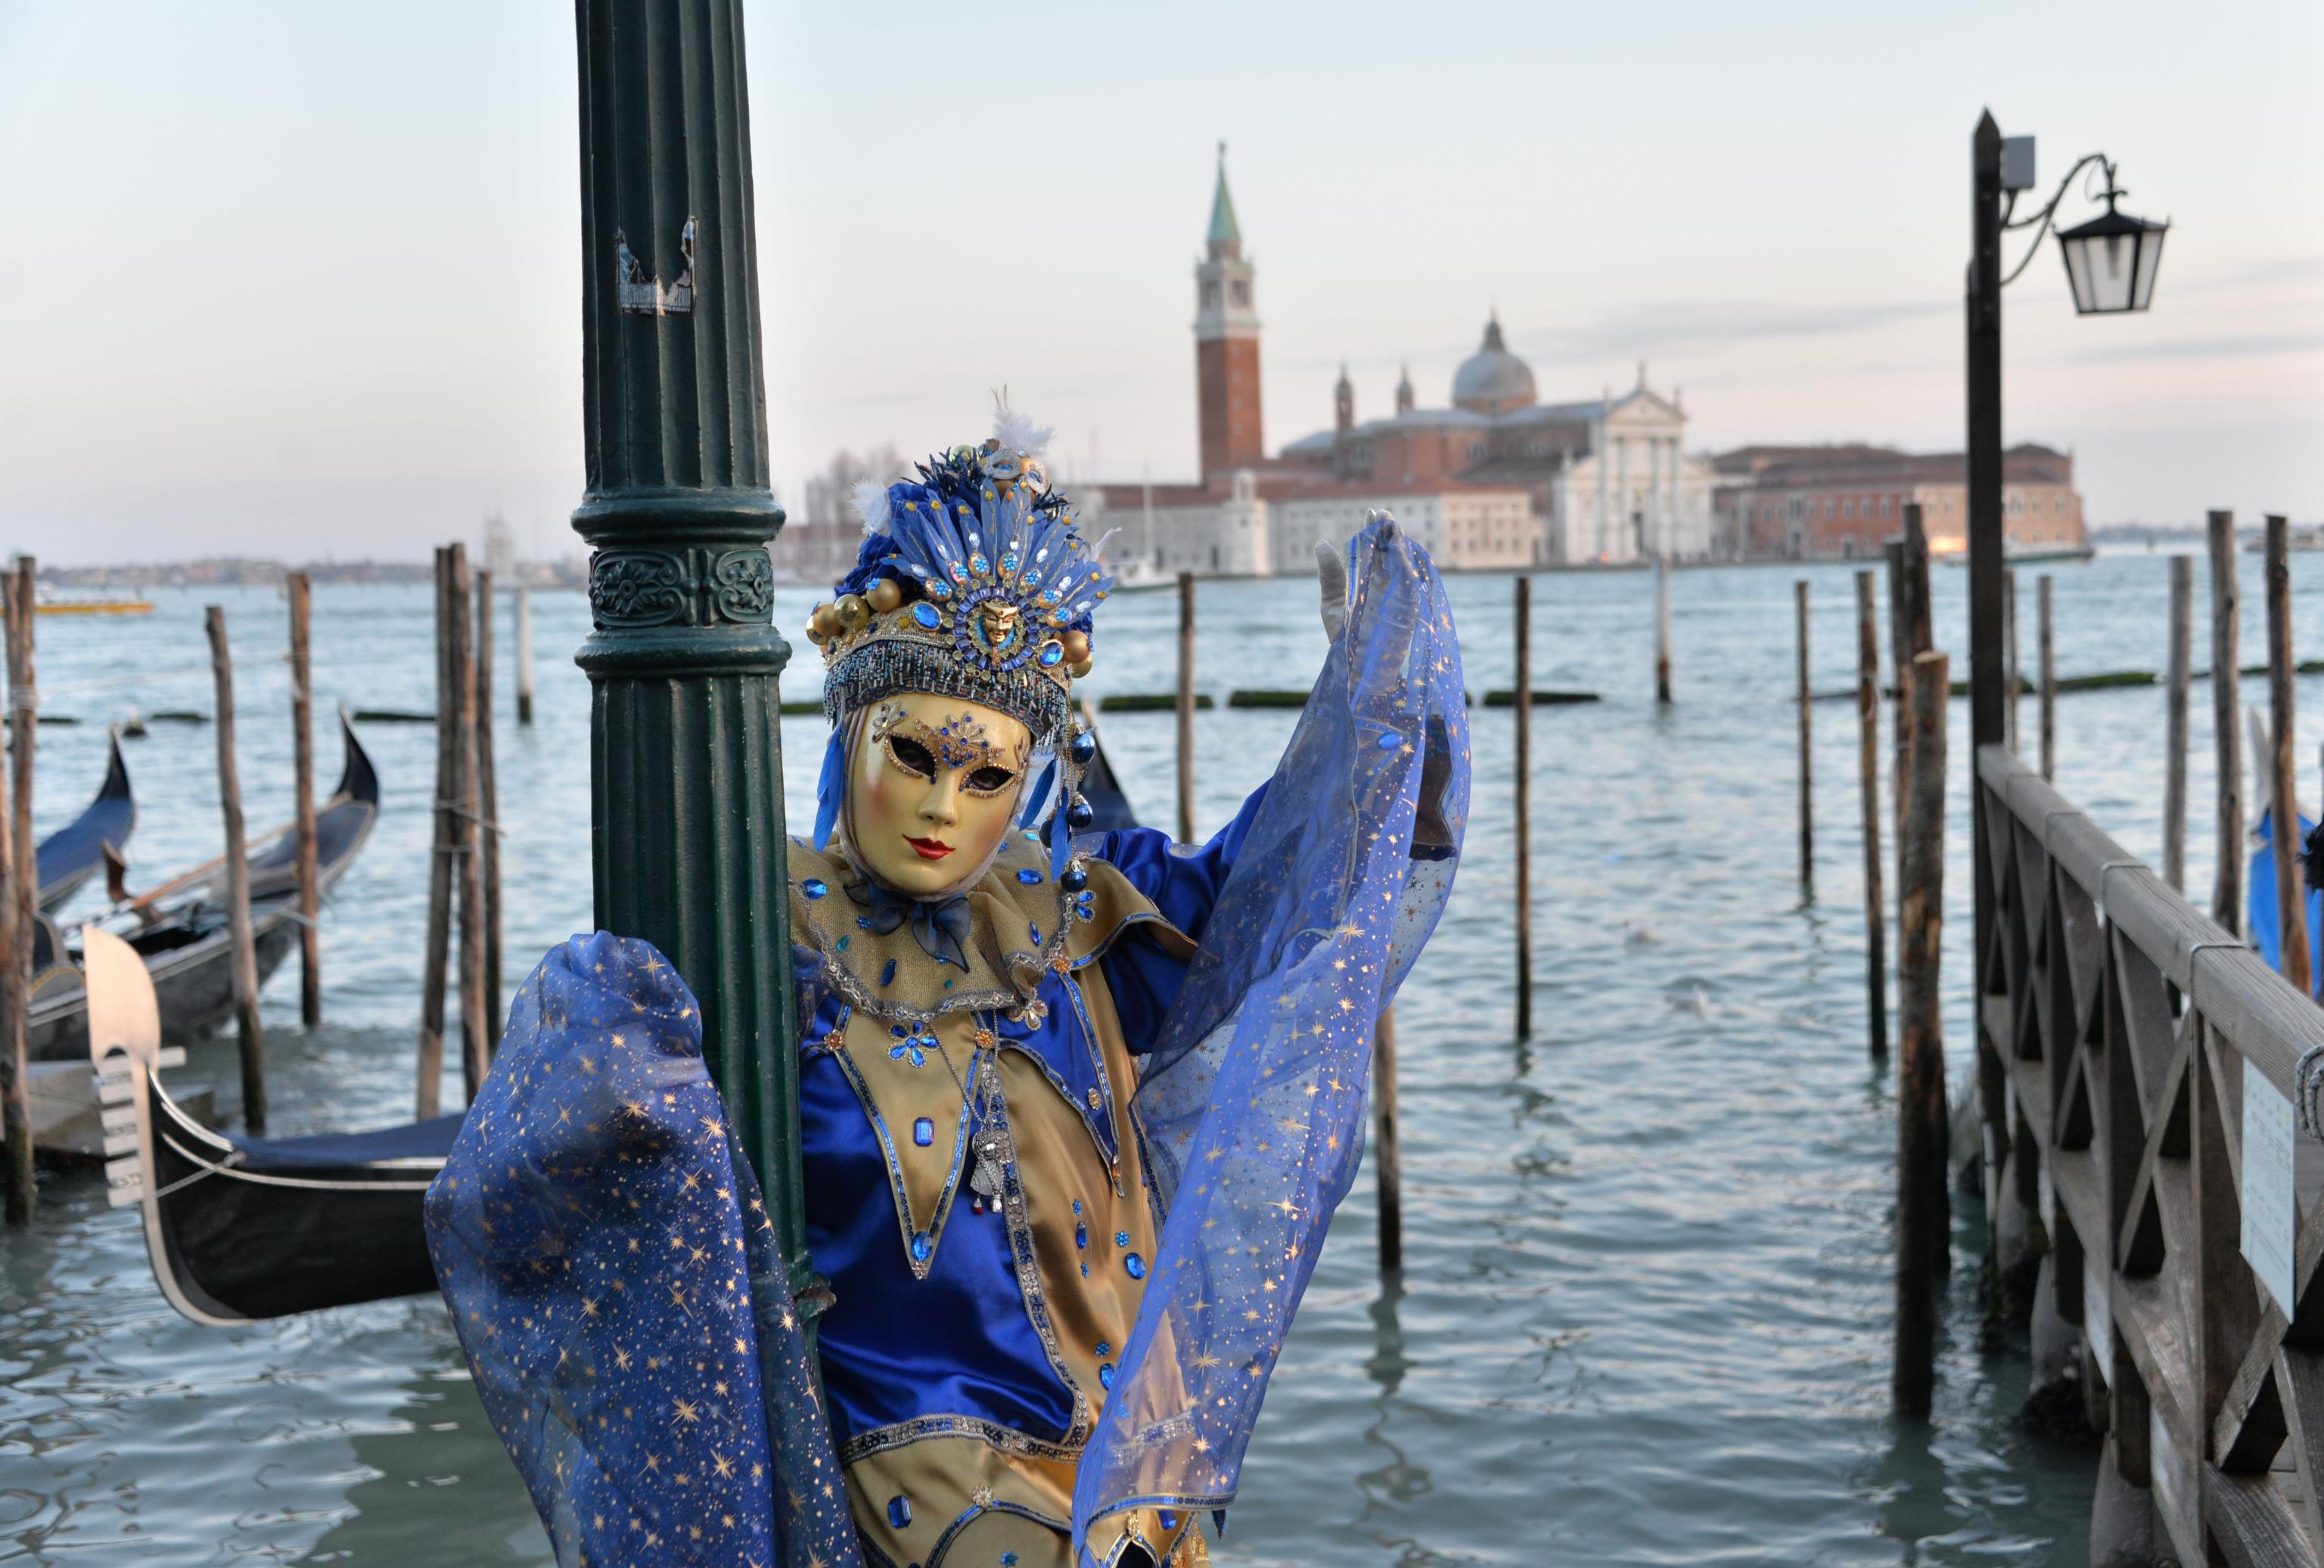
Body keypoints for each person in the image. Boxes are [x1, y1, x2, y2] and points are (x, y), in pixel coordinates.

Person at [427, 405, 1470, 1568]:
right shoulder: (761, 930)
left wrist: (1373, 717)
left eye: (987, 775)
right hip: (913, 1504)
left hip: (1130, 1497)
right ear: (853, 727)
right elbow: (554, 1180)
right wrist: (602, 1037)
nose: (941, 810)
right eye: (914, 754)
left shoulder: (1080, 910)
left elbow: (1286, 903)